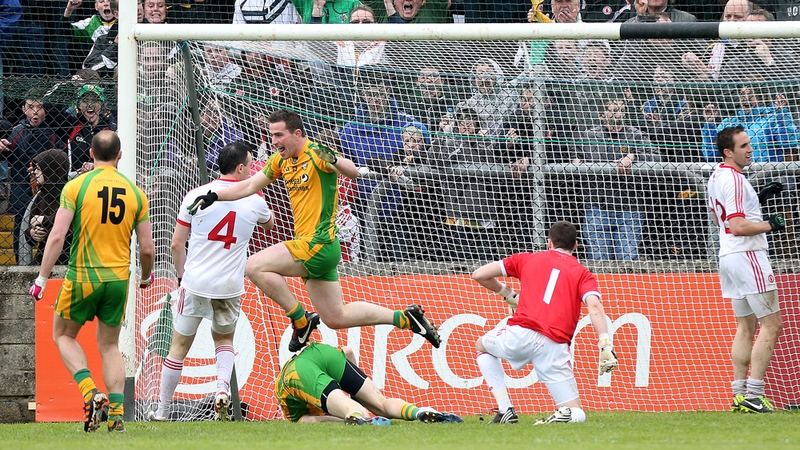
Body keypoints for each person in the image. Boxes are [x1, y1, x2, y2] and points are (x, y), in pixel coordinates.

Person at [187, 109, 442, 352]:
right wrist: (214, 196)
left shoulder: (317, 152)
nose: (274, 141)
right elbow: (248, 186)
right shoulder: (280, 161)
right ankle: (406, 319)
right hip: (319, 248)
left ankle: (300, 320)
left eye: (279, 135)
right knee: (336, 317)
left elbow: (352, 171)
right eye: (272, 135)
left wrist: (335, 160)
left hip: (317, 242)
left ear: (297, 134)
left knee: (253, 266)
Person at [28, 130, 155, 432]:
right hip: (118, 279)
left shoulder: (76, 186)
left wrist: (42, 278)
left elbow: (57, 235)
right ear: (120, 156)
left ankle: (90, 392)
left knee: (63, 336)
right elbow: (148, 248)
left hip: (84, 275)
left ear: (91, 155)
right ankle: (117, 416)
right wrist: (147, 276)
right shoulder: (136, 192)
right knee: (109, 346)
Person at [152, 142, 274, 422]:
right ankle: (222, 390)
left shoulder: (195, 196)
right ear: (241, 168)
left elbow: (175, 244)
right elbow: (270, 223)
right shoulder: (254, 199)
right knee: (224, 340)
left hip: (195, 283)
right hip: (229, 285)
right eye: (251, 163)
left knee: (179, 347)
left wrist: (182, 276)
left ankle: (162, 412)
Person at [471, 221, 618, 424]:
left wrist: (509, 294)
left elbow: (479, 275)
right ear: (576, 245)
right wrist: (605, 344)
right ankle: (562, 416)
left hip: (520, 334)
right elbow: (594, 306)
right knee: (577, 412)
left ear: (549, 243)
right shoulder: (583, 274)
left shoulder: (528, 259)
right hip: (554, 347)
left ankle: (505, 410)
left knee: (482, 347)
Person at [706, 125, 785, 413]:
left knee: (745, 325)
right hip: (748, 255)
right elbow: (737, 226)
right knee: (772, 325)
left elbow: (721, 219)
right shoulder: (736, 181)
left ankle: (739, 394)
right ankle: (754, 393)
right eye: (744, 146)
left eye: (750, 143)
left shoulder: (716, 176)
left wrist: (757, 202)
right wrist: (770, 224)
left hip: (728, 257)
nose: (750, 149)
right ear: (728, 152)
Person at [276, 342, 461, 424]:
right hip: (320, 351)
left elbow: (307, 420)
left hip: (299, 374)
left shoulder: (289, 400)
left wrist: (346, 413)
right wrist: (353, 389)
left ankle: (356, 416)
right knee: (380, 403)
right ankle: (418, 411)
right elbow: (347, 350)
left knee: (357, 412)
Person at [19, 148, 70, 266]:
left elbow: (72, 226)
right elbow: (31, 225)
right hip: (43, 256)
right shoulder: (41, 195)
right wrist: (32, 233)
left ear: (50, 170)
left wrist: (44, 220)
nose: (35, 172)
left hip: (67, 257)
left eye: (38, 169)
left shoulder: (70, 194)